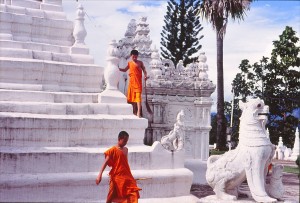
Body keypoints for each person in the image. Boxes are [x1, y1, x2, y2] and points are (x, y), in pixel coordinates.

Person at [96, 131, 141, 203]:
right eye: (124, 141)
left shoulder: (126, 150)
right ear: (119, 139)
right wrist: (99, 175)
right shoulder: (112, 150)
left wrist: (130, 177)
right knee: (111, 195)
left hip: (126, 176)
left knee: (133, 194)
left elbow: (125, 164)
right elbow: (105, 163)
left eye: (127, 141)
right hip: (116, 177)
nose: (126, 143)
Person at [119, 50, 148, 118]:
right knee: (133, 98)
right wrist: (118, 68)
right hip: (132, 83)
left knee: (138, 98)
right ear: (131, 56)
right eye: (133, 57)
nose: (134, 58)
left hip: (138, 83)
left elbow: (144, 70)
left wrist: (146, 76)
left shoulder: (140, 63)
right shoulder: (129, 63)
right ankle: (134, 111)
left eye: (136, 57)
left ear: (137, 56)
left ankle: (138, 112)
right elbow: (124, 70)